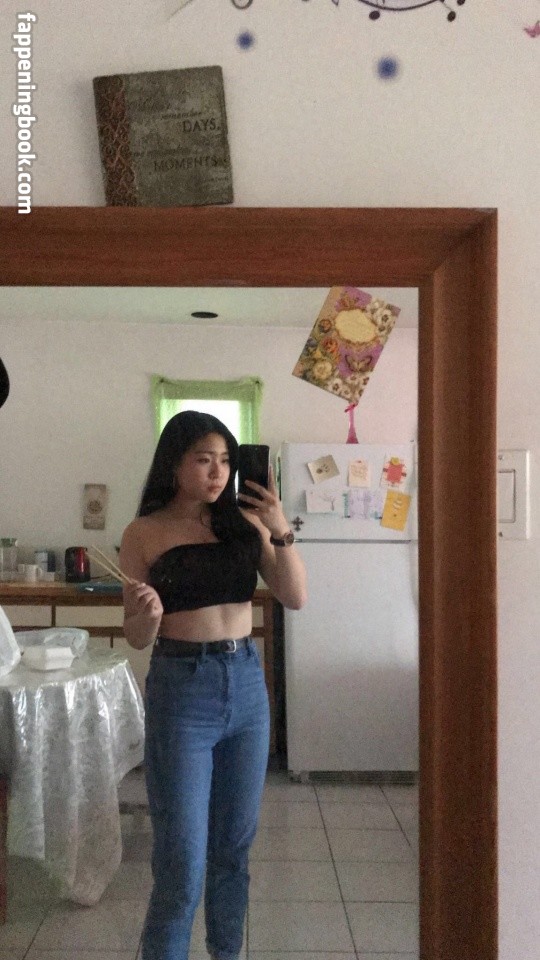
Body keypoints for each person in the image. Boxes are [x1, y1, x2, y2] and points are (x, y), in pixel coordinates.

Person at [119, 410, 307, 960]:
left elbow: (294, 596)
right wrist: (149, 615)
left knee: (233, 851)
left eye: (225, 460)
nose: (218, 471)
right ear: (174, 464)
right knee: (181, 861)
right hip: (182, 690)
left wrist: (280, 527)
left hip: (246, 685)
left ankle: (227, 953)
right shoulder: (143, 532)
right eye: (204, 459)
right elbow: (136, 636)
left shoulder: (245, 523)